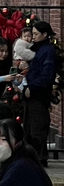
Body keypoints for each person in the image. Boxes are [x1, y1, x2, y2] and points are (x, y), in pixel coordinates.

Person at [24, 19, 58, 165]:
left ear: (45, 34)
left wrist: (32, 87)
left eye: (36, 34)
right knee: (30, 126)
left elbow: (46, 74)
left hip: (38, 94)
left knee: (37, 128)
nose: (33, 37)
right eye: (32, 33)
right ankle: (34, 156)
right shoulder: (37, 49)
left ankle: (38, 158)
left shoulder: (47, 51)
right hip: (32, 93)